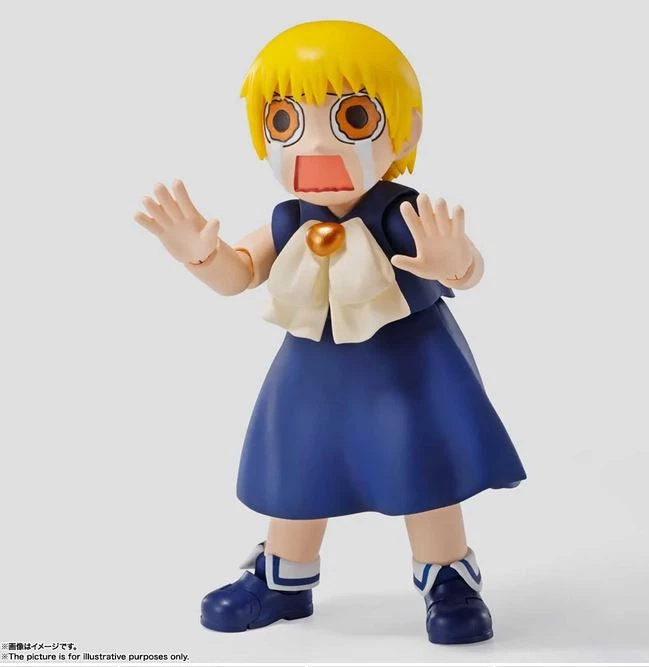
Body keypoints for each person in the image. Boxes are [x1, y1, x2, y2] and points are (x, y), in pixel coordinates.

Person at [134, 20, 526, 645]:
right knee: (297, 467)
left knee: (421, 468)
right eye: (286, 123)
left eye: (351, 119)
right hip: (313, 370)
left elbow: (468, 268)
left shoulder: (401, 214)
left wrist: (456, 262)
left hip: (406, 368)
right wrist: (201, 256)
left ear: (404, 132)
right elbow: (241, 274)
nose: (315, 146)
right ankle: (283, 578)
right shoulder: (290, 218)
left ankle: (448, 576)